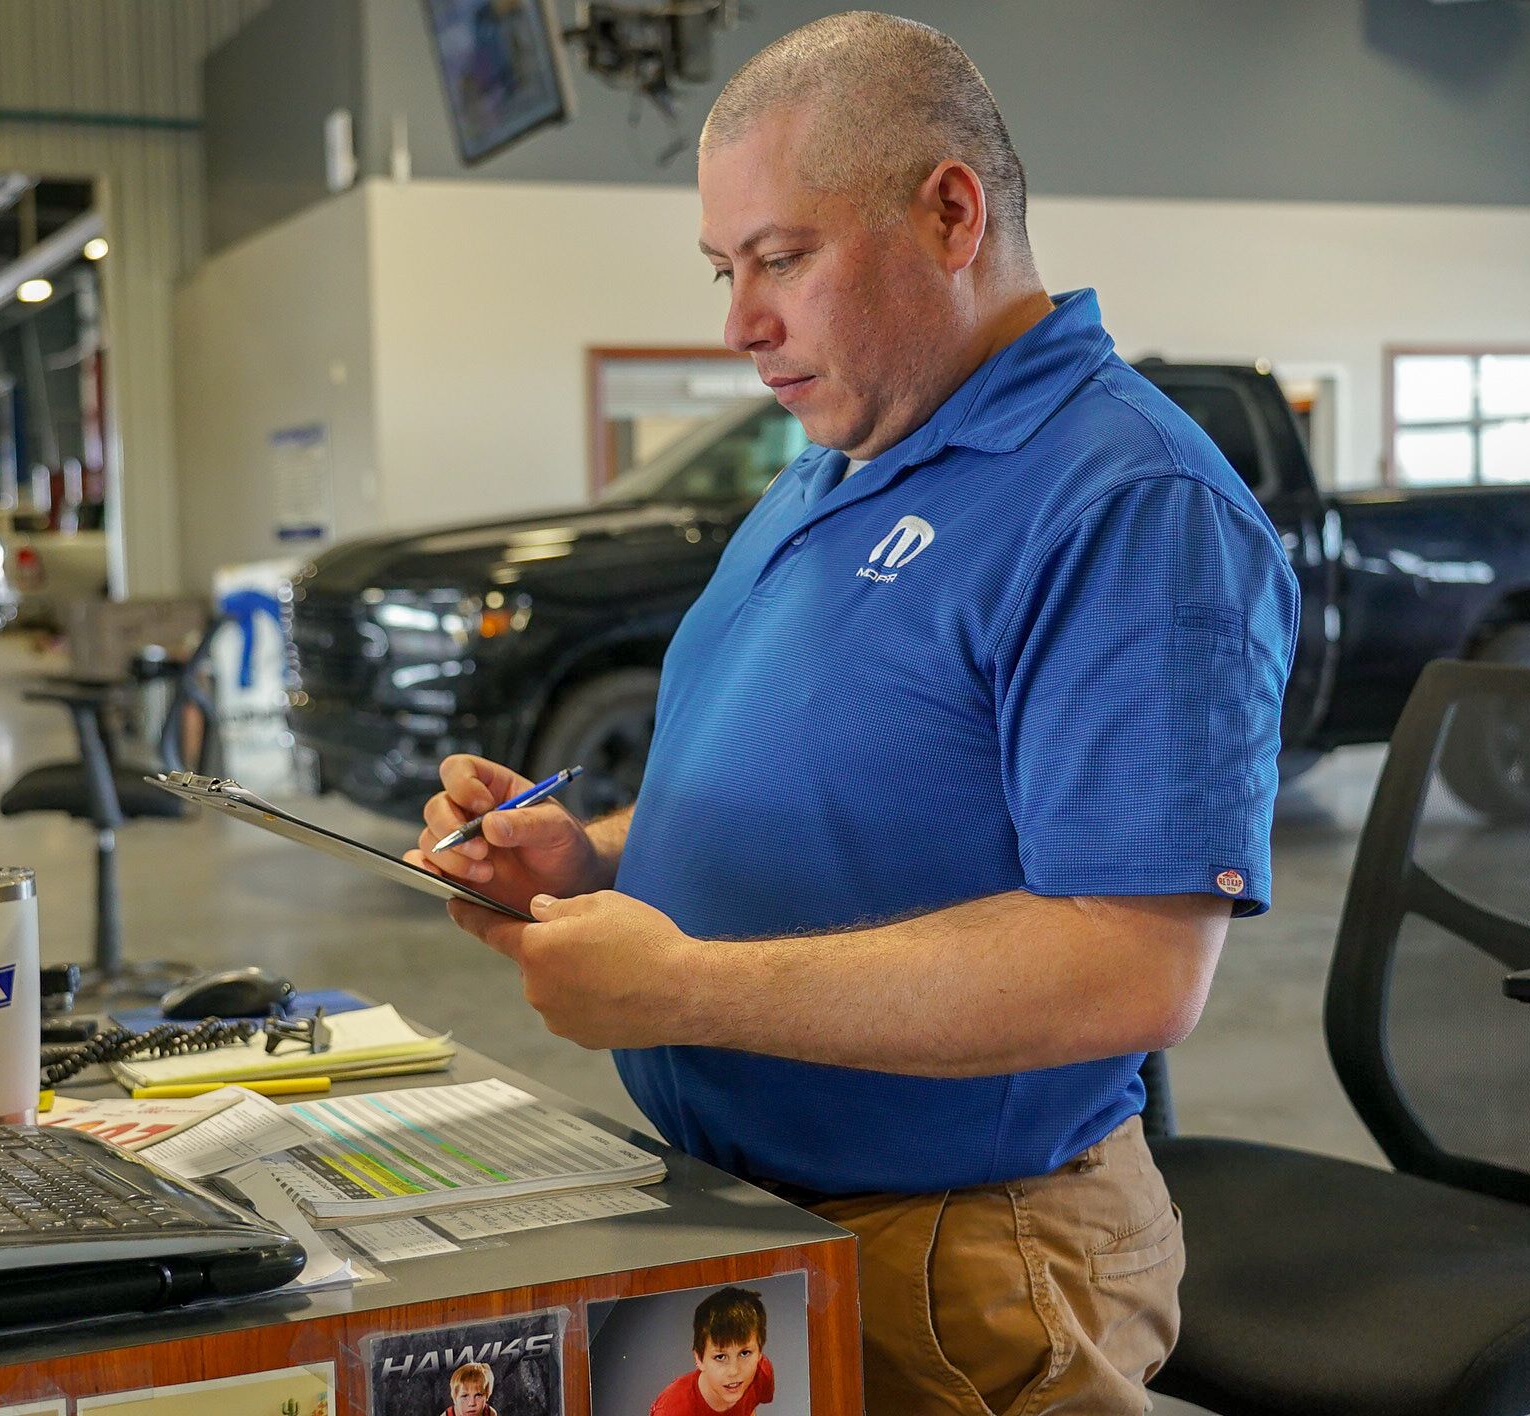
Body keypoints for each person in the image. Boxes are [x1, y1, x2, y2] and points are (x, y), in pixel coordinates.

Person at [408, 12, 1298, 1414]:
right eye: (724, 269)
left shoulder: (1126, 504)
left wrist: (682, 988)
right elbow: (805, 785)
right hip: (758, 1218)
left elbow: (1128, 968)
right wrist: (592, 858)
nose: (738, 321)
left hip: (962, 1260)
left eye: (782, 259)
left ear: (951, 211)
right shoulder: (838, 461)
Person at [649, 1286, 775, 1416]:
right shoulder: (671, 1411)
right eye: (720, 1357)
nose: (734, 1371)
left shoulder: (761, 1373)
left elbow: (750, 1407)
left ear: (760, 1352)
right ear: (699, 1358)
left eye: (744, 1353)